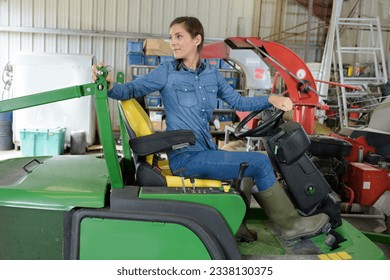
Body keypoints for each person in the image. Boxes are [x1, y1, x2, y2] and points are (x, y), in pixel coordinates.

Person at [92, 16, 329, 241]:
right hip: (186, 157)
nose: (172, 43)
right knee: (260, 163)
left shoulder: (211, 75)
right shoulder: (166, 72)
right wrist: (111, 86)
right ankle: (292, 226)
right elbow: (131, 90)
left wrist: (271, 99)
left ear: (197, 39)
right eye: (171, 37)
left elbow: (238, 103)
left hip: (204, 150)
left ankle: (236, 227)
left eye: (178, 36)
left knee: (246, 171)